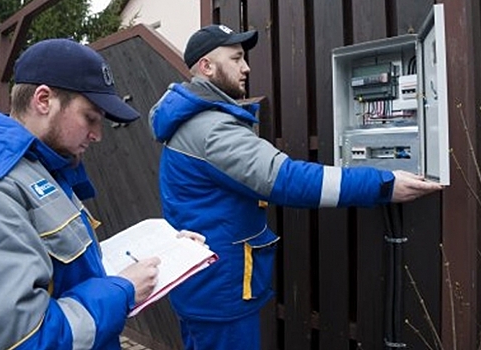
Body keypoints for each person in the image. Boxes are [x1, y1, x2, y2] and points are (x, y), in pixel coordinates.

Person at [148, 24, 443, 350]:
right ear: (206, 66)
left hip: (204, 284)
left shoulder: (193, 121)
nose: (246, 68)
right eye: (236, 58)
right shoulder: (210, 128)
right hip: (221, 291)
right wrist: (382, 184)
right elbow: (286, 180)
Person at [0, 38, 165, 350]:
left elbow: (57, 271)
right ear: (43, 100)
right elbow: (18, 339)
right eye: (90, 117)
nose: (97, 134)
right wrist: (123, 289)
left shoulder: (37, 168)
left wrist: (165, 250)